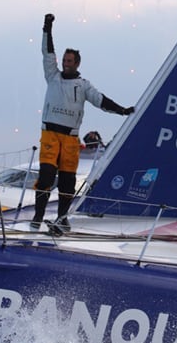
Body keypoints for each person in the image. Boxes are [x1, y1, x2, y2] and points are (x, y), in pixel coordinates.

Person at [32, 12, 134, 232]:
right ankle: (38, 216)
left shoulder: (84, 85)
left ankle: (62, 218)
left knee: (68, 181)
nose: (65, 64)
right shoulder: (53, 76)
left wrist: (123, 110)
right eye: (64, 61)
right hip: (50, 134)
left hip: (70, 138)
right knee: (47, 176)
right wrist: (47, 28)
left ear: (77, 63)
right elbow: (47, 53)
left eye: (69, 61)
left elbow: (101, 101)